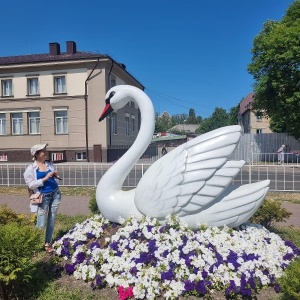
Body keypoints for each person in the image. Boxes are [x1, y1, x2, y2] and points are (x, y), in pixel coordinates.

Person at [23, 143, 61, 253]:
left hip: (55, 194)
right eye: (43, 151)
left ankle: (47, 243)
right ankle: (33, 246)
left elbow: (54, 180)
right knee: (41, 223)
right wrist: (45, 178)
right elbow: (31, 185)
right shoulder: (30, 169)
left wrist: (54, 176)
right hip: (43, 198)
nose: (46, 152)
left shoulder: (49, 164)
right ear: (37, 154)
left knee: (52, 220)